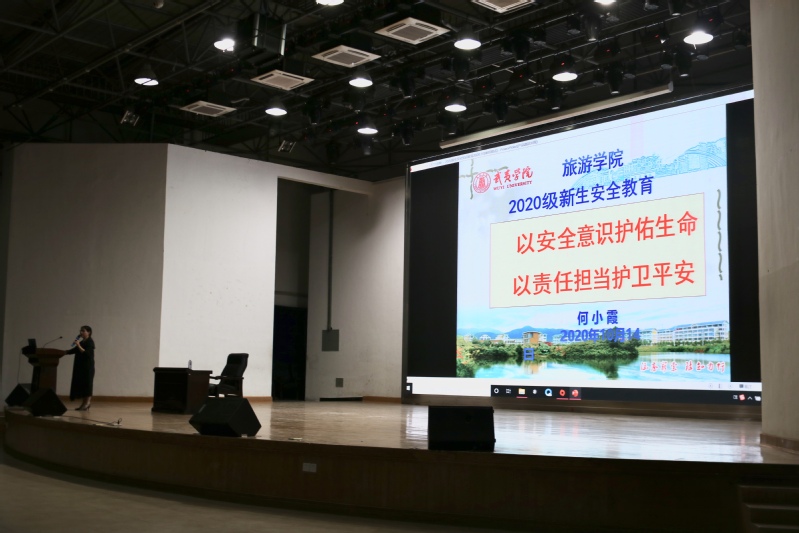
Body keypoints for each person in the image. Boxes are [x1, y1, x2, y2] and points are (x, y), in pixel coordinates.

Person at [66, 325, 95, 411]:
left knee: (87, 385)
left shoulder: (90, 342)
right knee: (83, 385)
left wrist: (78, 345)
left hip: (88, 367)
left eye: (83, 331)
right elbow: (74, 350)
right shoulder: (82, 342)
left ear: (88, 332)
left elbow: (86, 353)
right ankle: (83, 404)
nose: (81, 332)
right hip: (81, 367)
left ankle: (87, 403)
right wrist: (64, 352)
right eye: (80, 331)